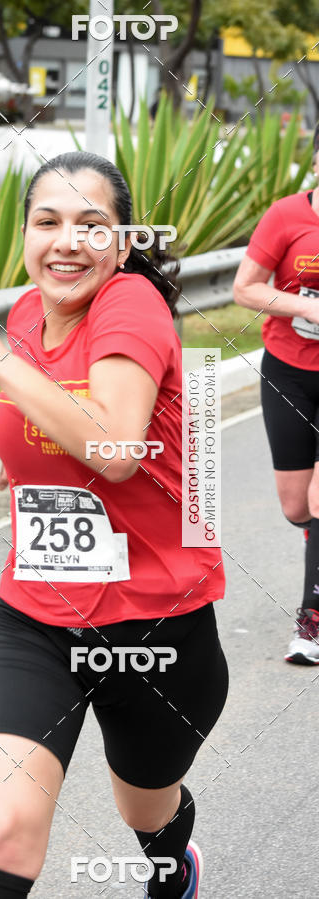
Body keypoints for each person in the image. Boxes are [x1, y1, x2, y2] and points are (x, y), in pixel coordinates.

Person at [0, 151, 228, 898]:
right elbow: (50, 422)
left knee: (148, 809)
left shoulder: (130, 303)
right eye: (47, 221)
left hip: (157, 631)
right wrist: (9, 454)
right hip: (36, 619)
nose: (66, 241)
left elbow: (117, 448)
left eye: (92, 225)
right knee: (2, 833)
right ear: (24, 234)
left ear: (122, 244)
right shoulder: (29, 312)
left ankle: (172, 867)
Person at [233, 125, 319, 664]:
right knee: (296, 507)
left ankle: (311, 622)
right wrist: (304, 307)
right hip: (288, 370)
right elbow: (245, 287)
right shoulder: (287, 216)